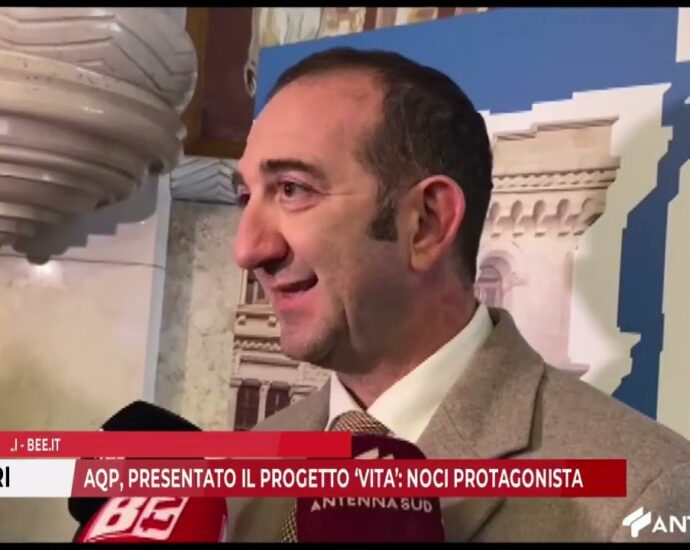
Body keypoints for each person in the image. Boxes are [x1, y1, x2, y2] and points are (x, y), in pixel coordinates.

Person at [226, 47, 690, 542]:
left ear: (426, 223)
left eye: (292, 189)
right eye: (245, 197)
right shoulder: (250, 467)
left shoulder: (646, 493)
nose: (246, 249)